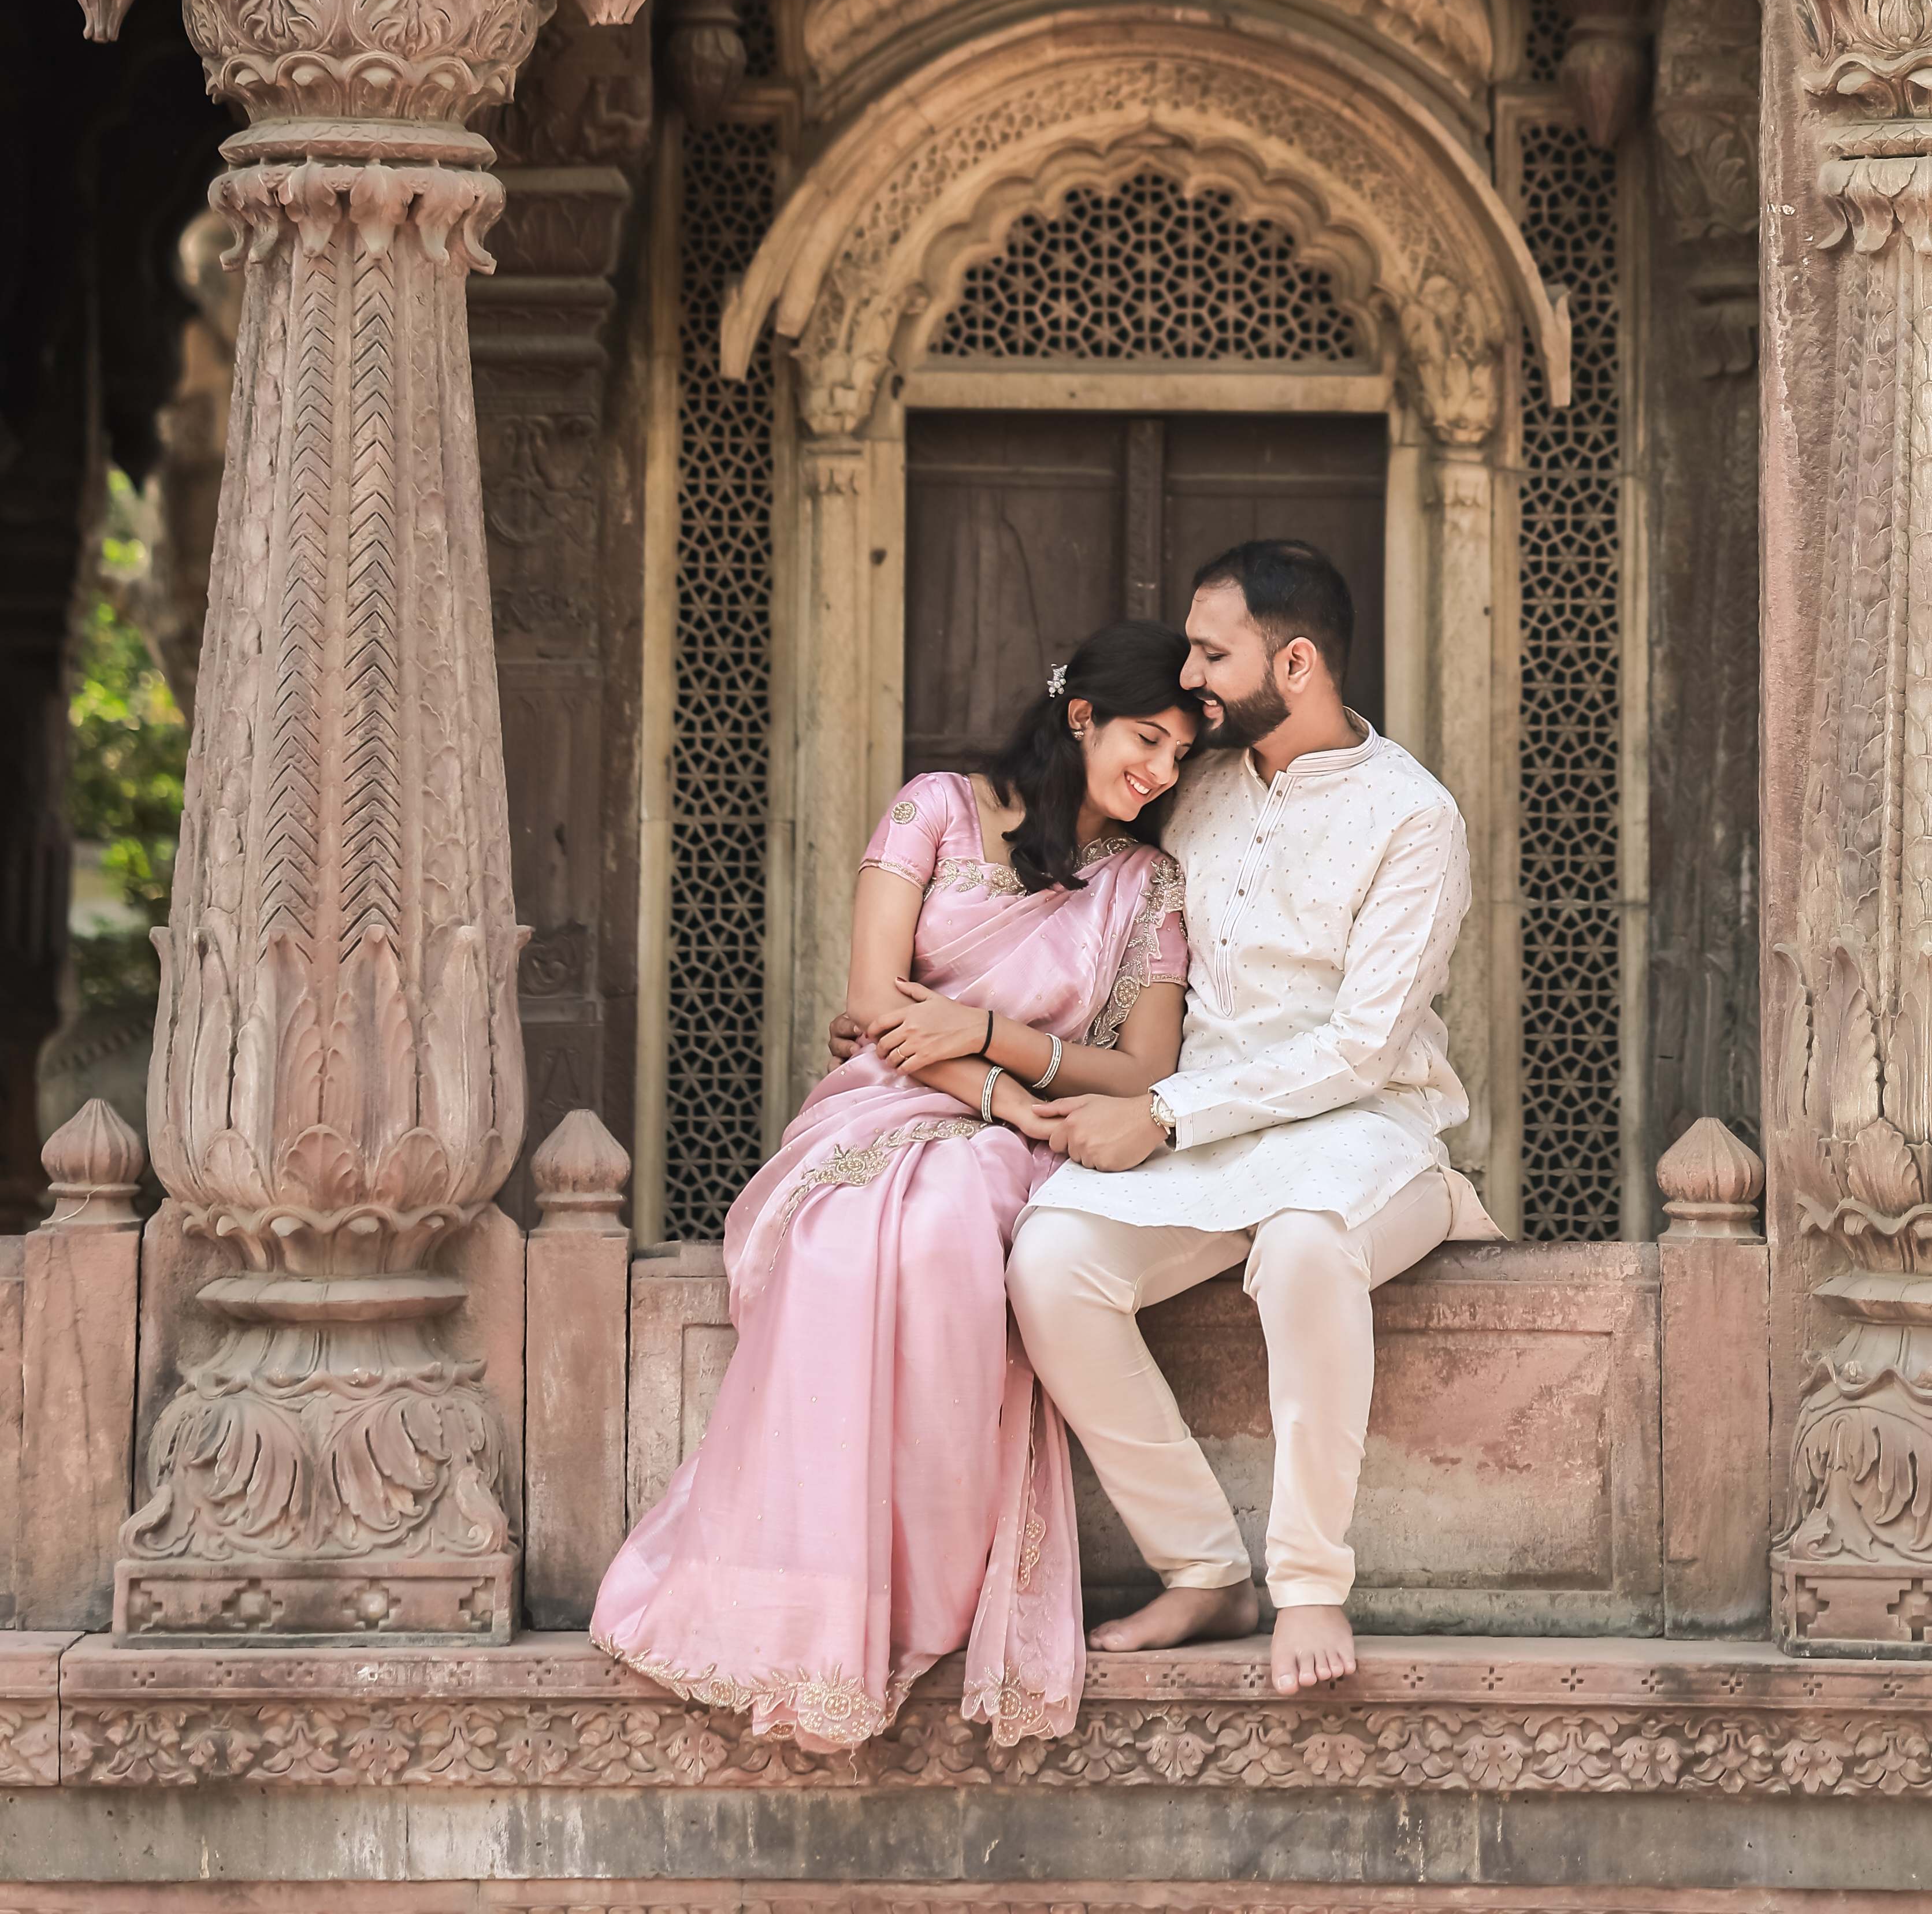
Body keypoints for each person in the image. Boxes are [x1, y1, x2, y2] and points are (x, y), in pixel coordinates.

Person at [592, 621, 1197, 1752]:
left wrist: (991, 1042)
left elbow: (1145, 1072)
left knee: (947, 1234)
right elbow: (874, 1002)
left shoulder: (1145, 884)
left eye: (1177, 758)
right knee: (841, 1244)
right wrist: (992, 1089)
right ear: (1081, 719)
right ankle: (813, 1603)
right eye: (1145, 739)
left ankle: (921, 1593)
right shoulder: (935, 809)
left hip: (1021, 1136)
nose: (1157, 774)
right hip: (892, 1102)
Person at [1005, 540, 1496, 1699]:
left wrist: (1165, 1117)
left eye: (1211, 652)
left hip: (1364, 1133)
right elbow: (1076, 896)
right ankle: (1201, 1567)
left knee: (1303, 1247)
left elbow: (1360, 1048)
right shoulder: (1199, 787)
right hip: (1203, 1137)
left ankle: (1308, 1583)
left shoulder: (1410, 818)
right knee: (1050, 1261)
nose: (1189, 674)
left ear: (1295, 662)